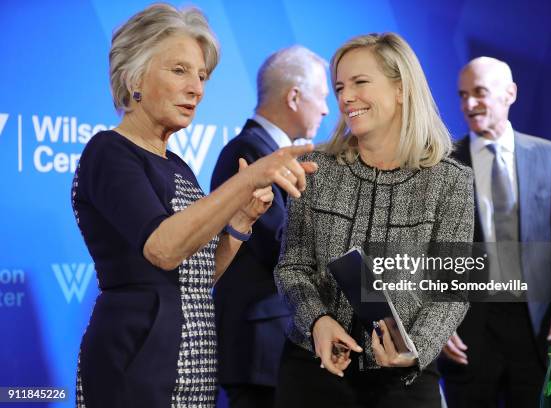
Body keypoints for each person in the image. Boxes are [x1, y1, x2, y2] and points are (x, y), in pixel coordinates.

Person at [71, 4, 317, 408]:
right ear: (134, 75)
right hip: (138, 359)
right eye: (180, 70)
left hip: (194, 363)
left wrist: (238, 225)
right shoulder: (109, 151)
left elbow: (196, 276)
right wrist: (248, 179)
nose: (198, 88)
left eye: (202, 75)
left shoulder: (178, 166)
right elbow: (163, 249)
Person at [273, 33, 474, 408]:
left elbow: (451, 293)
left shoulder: (451, 181)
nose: (346, 97)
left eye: (360, 82)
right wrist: (317, 320)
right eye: (339, 87)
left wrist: (414, 349)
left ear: (401, 89)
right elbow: (292, 267)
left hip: (403, 384)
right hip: (313, 373)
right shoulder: (316, 170)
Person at [440, 57, 551, 407]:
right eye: (462, 95)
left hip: (536, 328)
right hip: (467, 332)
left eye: (479, 93)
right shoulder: (443, 163)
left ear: (510, 94)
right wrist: (437, 322)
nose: (469, 104)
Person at [210, 46, 329, 408]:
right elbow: (282, 244)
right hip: (261, 351)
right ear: (294, 96)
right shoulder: (248, 152)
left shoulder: (271, 152)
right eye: (322, 97)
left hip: (278, 347)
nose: (326, 109)